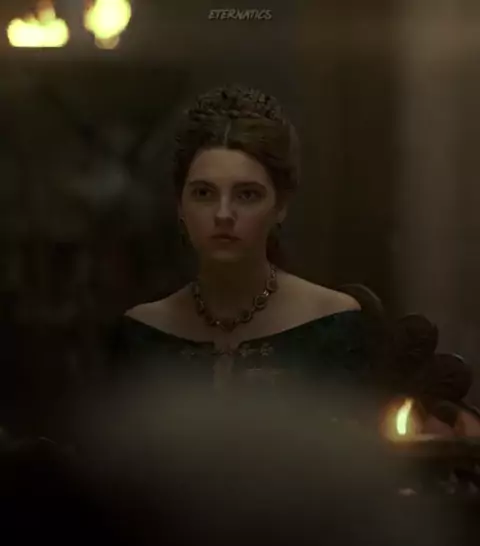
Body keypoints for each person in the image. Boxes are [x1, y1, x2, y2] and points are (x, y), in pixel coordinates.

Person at [103, 84, 380, 424]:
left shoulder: (332, 325)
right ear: (180, 205)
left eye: (247, 195)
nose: (223, 214)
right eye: (204, 193)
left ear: (280, 206)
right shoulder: (141, 333)